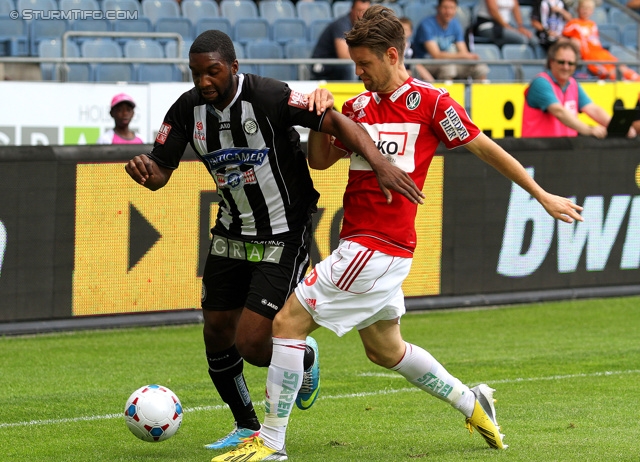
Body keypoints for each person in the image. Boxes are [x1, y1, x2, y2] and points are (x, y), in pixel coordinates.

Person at [212, 6, 584, 461]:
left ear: (392, 55)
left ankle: (270, 442)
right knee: (386, 351)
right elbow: (320, 159)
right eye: (354, 64)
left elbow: (485, 148)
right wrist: (319, 111)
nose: (359, 72)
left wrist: (541, 194)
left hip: (378, 246)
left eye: (365, 64)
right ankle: (473, 402)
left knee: (287, 323)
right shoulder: (357, 106)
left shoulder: (432, 103)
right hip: (363, 243)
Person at [124, 29, 424, 452]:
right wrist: (144, 171)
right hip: (230, 229)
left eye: (213, 72)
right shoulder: (187, 110)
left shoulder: (269, 96)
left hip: (284, 230)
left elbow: (336, 121)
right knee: (216, 331)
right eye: (196, 74)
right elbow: (160, 170)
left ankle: (305, 358)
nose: (204, 81)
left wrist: (379, 164)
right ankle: (246, 425)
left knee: (251, 342)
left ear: (233, 67)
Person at [522, 40, 636, 138]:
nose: (566, 67)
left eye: (571, 63)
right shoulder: (541, 83)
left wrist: (619, 128)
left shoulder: (573, 84)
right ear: (551, 62)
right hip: (537, 151)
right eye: (561, 62)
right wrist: (588, 129)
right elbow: (558, 111)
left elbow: (592, 109)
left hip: (564, 150)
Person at [562, 0, 640, 81]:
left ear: (592, 11)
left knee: (620, 66)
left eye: (588, 8)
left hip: (600, 52)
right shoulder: (573, 23)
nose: (585, 11)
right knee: (610, 72)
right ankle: (623, 83)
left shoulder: (592, 24)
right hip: (589, 56)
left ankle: (636, 79)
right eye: (583, 8)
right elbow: (564, 38)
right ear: (577, 9)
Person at [413, 0, 489, 81]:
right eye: (445, 8)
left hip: (451, 62)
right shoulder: (426, 25)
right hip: (427, 63)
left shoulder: (455, 24)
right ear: (438, 8)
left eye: (452, 8)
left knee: (479, 67)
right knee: (448, 67)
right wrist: (464, 55)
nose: (448, 11)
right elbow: (436, 55)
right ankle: (447, 93)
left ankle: (481, 93)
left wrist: (466, 56)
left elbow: (463, 51)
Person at [310, 0, 371, 81]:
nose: (362, 15)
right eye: (359, 11)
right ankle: (352, 92)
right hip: (323, 65)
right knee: (351, 67)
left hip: (337, 66)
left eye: (366, 12)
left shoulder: (365, 27)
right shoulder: (341, 25)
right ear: (351, 10)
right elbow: (344, 56)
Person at [473, 0, 538, 47]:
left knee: (534, 40)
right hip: (488, 26)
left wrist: (520, 27)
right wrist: (507, 27)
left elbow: (516, 8)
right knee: (521, 39)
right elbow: (493, 10)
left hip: (507, 26)